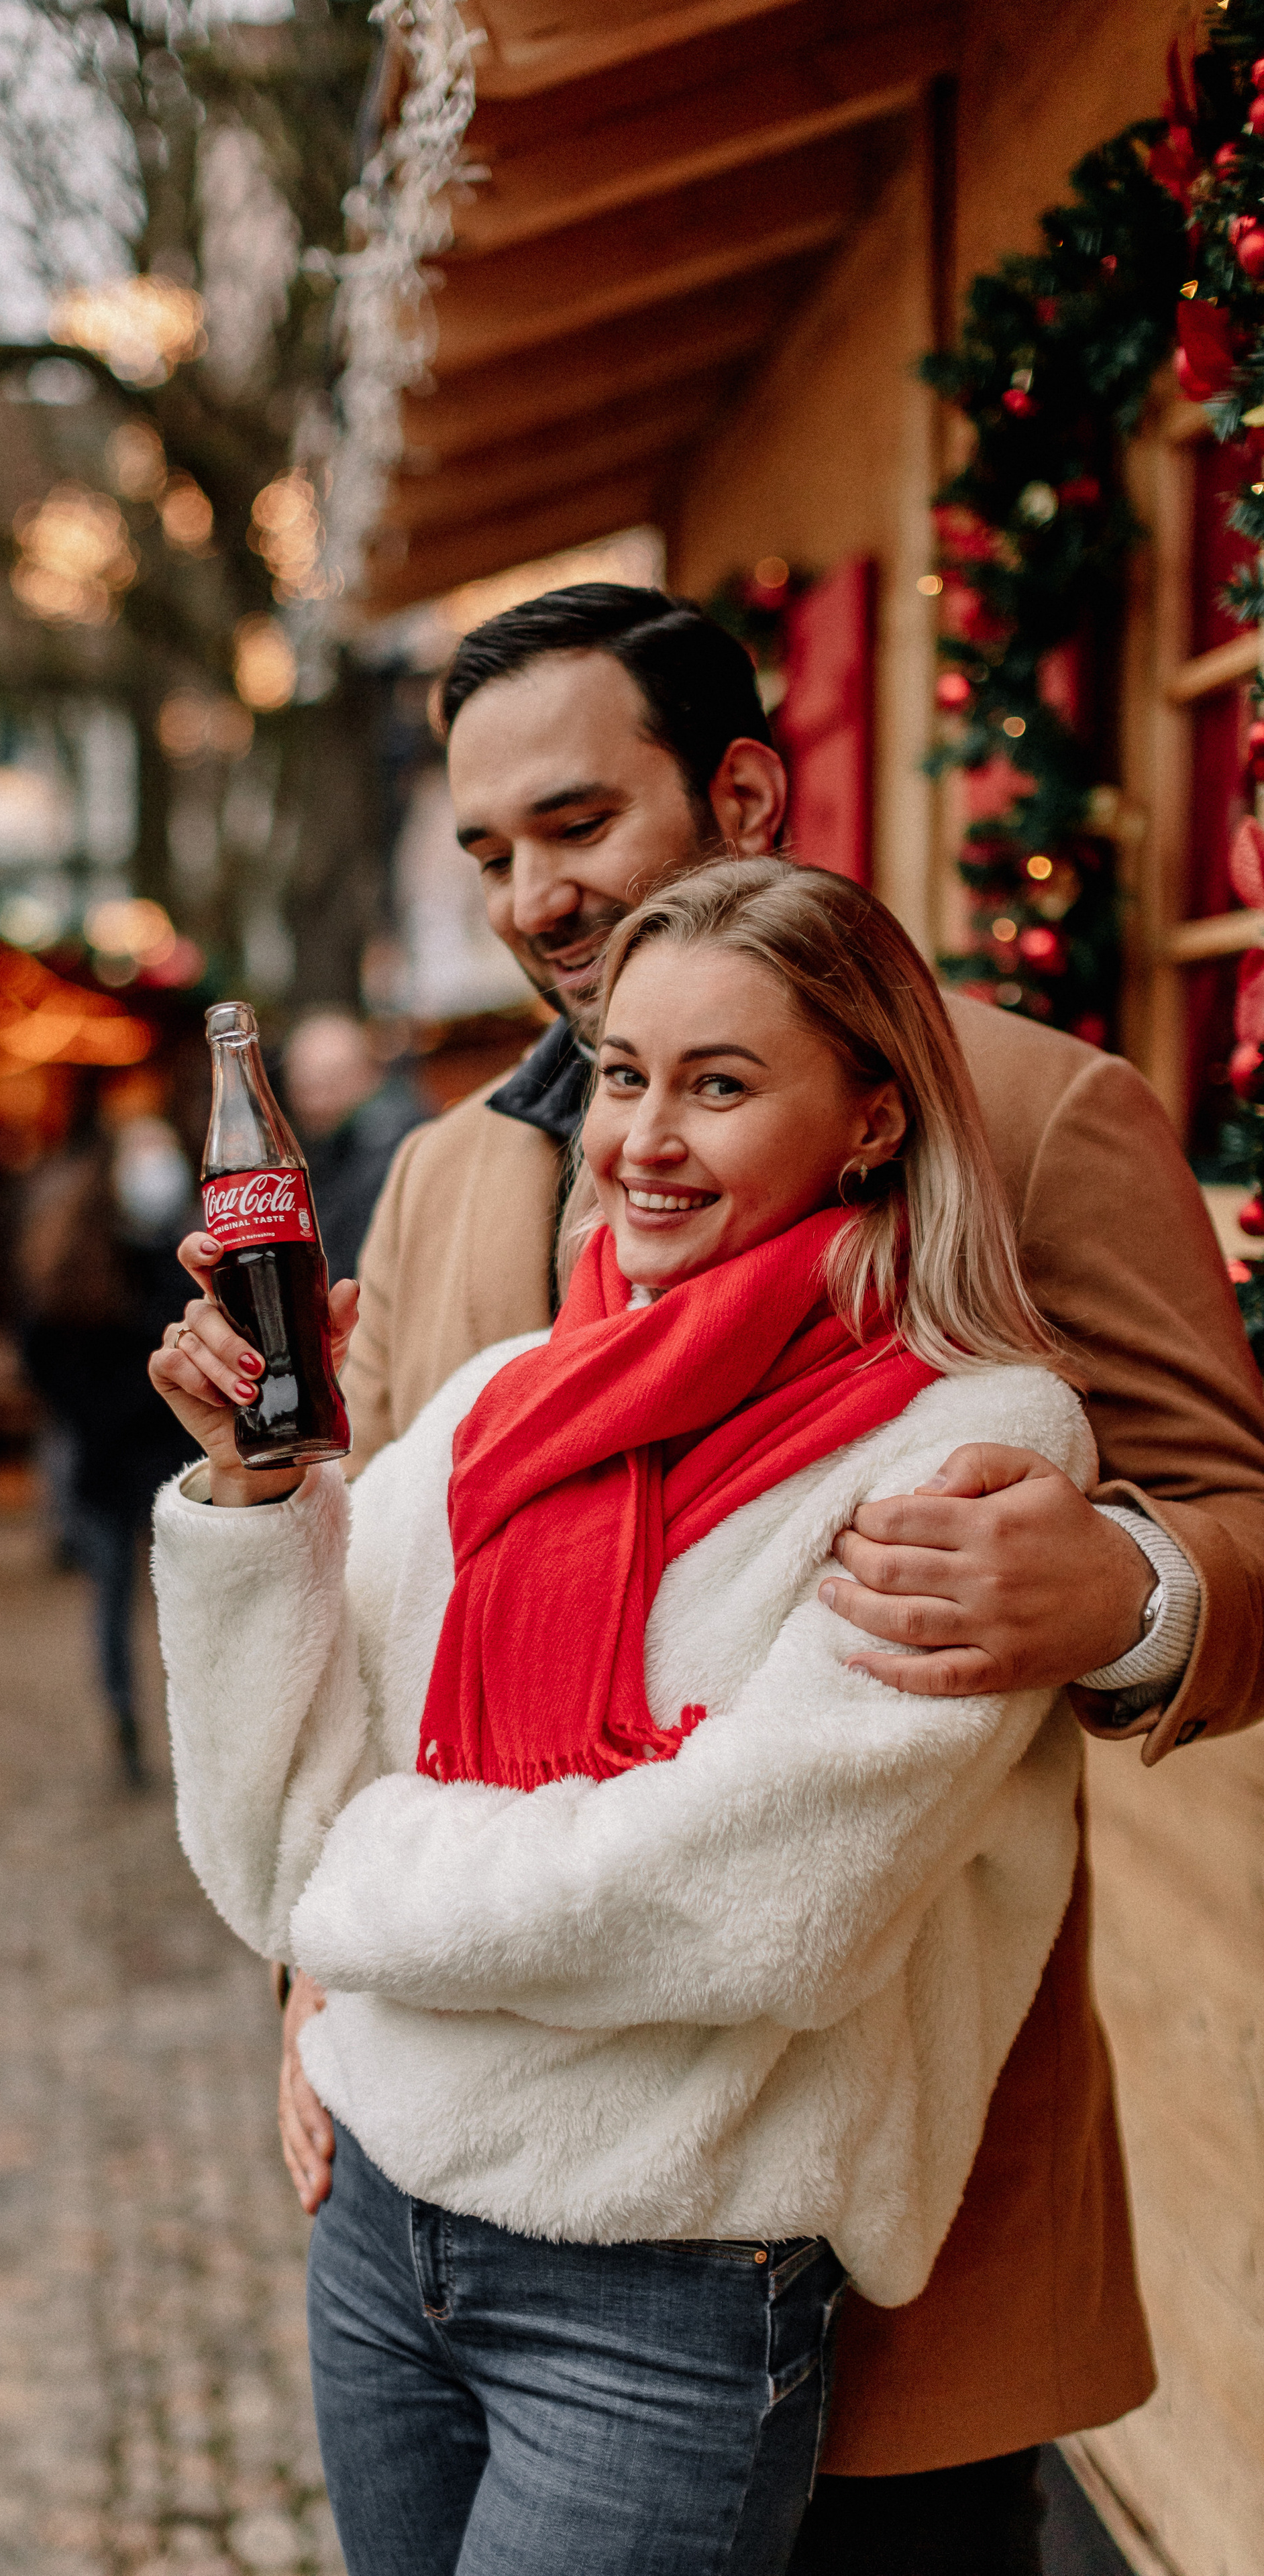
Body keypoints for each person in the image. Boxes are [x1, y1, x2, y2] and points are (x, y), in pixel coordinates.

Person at [276, 585, 1264, 2572]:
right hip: (456, 2142)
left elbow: (1239, 1516)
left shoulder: (1041, 1108)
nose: (533, 895)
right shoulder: (457, 1169)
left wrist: (1125, 1588)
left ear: (743, 786)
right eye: (487, 852)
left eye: (577, 825)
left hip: (864, 2212)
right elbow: (363, 1636)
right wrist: (311, 1975)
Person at [150, 860, 1105, 2576]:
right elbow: (250, 1828)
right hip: (375, 2225)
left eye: (718, 1084)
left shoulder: (963, 1448)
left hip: (657, 2278)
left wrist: (340, 1885)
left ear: (873, 1117)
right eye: (619, 1073)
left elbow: (750, 1912)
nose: (641, 1139)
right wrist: (252, 1503)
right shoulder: (496, 1400)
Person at [17, 1116, 194, 1786]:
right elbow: (41, 1348)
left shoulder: (186, 1248)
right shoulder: (75, 1253)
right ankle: (123, 1723)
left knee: (186, 1606)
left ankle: (193, 1732)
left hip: (176, 1460)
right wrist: (89, 1415)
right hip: (107, 1458)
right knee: (114, 1599)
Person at [282, 1011, 430, 1286]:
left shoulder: (387, 1150)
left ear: (368, 1074)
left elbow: (342, 1268)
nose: (314, 1102)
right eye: (304, 1085)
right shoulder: (330, 1146)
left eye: (330, 1082)